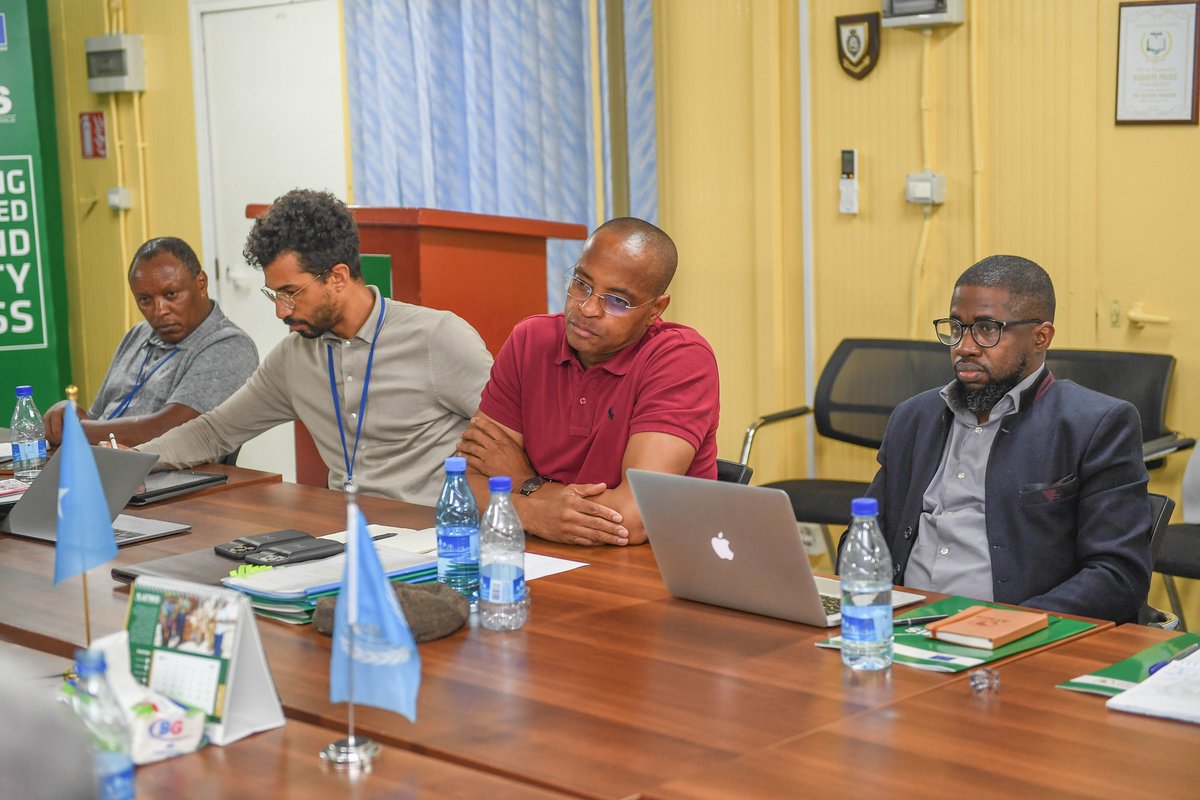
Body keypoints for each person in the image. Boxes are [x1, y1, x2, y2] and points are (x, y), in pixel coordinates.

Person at [135, 189, 493, 505]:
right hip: (343, 534)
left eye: (291, 293)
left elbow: (517, 437)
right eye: (274, 295)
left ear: (337, 277)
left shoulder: (437, 338)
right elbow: (215, 431)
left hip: (436, 539)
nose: (280, 311)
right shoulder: (294, 358)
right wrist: (127, 461)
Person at [861, 254, 1151, 623]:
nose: (964, 346)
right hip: (902, 623)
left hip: (1015, 636)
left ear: (1040, 337)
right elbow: (866, 535)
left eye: (986, 329)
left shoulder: (1097, 424)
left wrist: (1006, 624)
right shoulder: (913, 417)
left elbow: (1118, 576)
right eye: (955, 327)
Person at [458, 217, 719, 547]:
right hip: (543, 558)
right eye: (581, 284)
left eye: (617, 301)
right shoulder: (530, 340)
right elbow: (464, 483)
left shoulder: (680, 359)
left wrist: (527, 483)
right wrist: (532, 513)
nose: (587, 308)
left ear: (656, 309)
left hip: (657, 571)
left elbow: (633, 519)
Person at [42, 237, 258, 448]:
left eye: (171, 294)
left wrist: (74, 429)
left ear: (201, 284)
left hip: (168, 476)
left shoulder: (230, 345)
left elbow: (168, 430)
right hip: (105, 463)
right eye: (145, 300)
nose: (159, 311)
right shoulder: (138, 334)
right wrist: (64, 417)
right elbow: (96, 418)